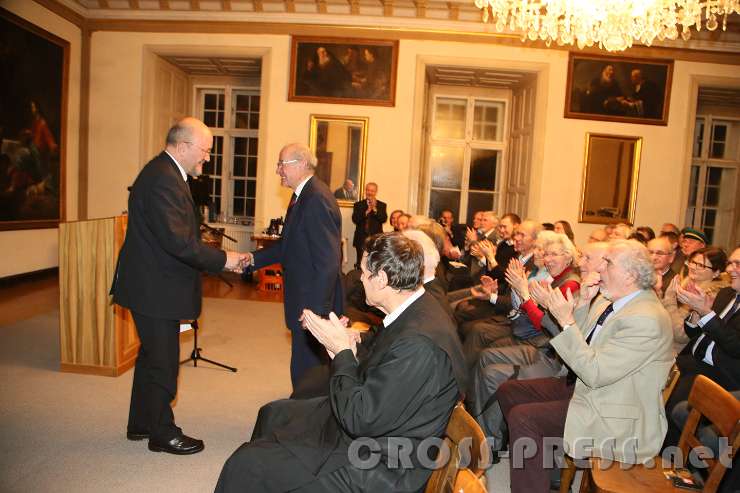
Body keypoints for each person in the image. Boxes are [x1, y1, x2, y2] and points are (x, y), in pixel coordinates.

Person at [215, 233, 466, 493]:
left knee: (245, 464)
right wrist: (351, 338)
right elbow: (387, 343)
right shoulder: (416, 306)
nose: (359, 278)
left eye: (364, 273)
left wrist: (341, 351)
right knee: (272, 413)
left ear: (381, 280)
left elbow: (359, 419)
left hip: (382, 464)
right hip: (379, 429)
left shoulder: (418, 344)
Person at [110, 117, 246, 455]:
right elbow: (178, 243)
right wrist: (224, 259)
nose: (208, 158)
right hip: (154, 288)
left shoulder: (168, 174)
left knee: (151, 357)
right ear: (182, 147)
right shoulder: (162, 180)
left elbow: (177, 236)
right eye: (205, 150)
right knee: (163, 362)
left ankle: (141, 423)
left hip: (153, 283)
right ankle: (162, 433)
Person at [498, 239, 673, 493]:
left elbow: (594, 372)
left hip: (618, 412)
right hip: (595, 390)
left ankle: (536, 480)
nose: (600, 268)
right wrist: (580, 305)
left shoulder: (646, 319)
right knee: (509, 391)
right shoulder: (609, 299)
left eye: (608, 263)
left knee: (524, 418)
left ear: (630, 275)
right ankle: (547, 468)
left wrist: (565, 320)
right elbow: (582, 345)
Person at [246, 143, 344, 389]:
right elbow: (287, 246)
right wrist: (251, 260)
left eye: (282, 164)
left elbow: (328, 261)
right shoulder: (302, 195)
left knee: (308, 370)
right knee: (302, 364)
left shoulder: (316, 199)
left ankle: (305, 418)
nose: (278, 170)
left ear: (300, 164)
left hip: (312, 300)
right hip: (304, 296)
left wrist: (313, 312)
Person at [664, 246, 740, 448]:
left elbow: (735, 346)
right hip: (693, 360)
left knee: (673, 408)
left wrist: (705, 312)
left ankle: (668, 461)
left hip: (721, 374)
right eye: (730, 263)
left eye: (737, 264)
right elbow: (693, 334)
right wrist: (696, 314)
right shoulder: (726, 294)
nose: (730, 269)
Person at [351, 182, 387, 268]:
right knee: (360, 263)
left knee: (374, 263)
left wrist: (374, 209)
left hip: (376, 239)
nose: (369, 192)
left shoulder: (382, 205)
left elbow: (383, 219)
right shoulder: (358, 205)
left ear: (376, 192)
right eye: (368, 190)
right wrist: (366, 212)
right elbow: (355, 219)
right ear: (365, 191)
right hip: (361, 239)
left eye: (372, 191)